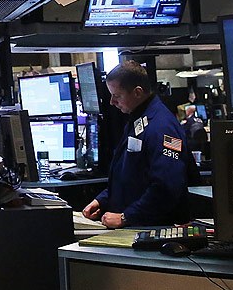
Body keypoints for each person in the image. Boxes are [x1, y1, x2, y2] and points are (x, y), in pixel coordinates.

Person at [81, 61, 191, 228]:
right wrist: (102, 200)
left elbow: (166, 187)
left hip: (155, 229)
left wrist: (126, 217)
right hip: (136, 226)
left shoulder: (162, 126)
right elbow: (131, 178)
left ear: (137, 92)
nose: (112, 102)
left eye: (117, 96)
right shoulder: (139, 120)